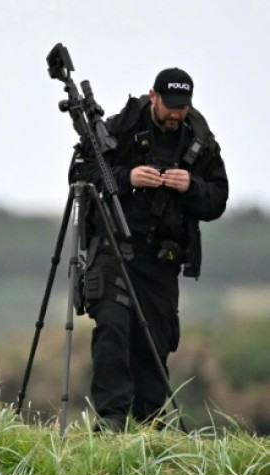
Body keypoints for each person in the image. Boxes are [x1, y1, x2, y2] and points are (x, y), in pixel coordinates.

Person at [72, 68, 228, 431]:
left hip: (162, 258)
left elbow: (217, 200)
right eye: (170, 106)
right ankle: (111, 419)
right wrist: (127, 178)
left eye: (182, 108)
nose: (176, 114)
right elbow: (79, 175)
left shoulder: (199, 141)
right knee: (112, 324)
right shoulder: (118, 130)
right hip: (114, 248)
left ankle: (151, 424)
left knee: (155, 340)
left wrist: (190, 186)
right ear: (153, 96)